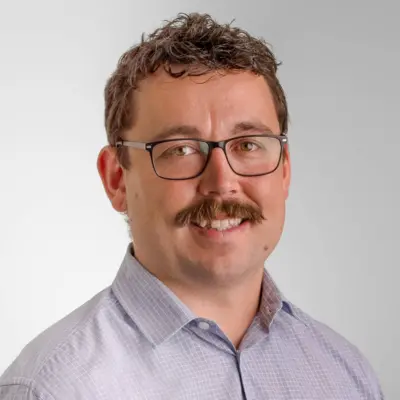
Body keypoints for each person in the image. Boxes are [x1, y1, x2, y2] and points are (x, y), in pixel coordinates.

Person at [0, 12, 384, 400]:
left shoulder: (347, 375)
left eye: (248, 145)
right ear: (116, 179)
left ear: (284, 170)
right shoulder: (50, 389)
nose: (222, 183)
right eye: (181, 150)